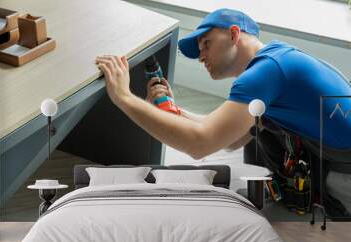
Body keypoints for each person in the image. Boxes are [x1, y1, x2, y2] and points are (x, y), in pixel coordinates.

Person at [95, 8, 351, 162]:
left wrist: (123, 97)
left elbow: (200, 145)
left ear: (234, 34)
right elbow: (232, 139)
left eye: (206, 43)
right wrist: (174, 111)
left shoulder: (265, 73)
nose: (201, 56)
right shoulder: (275, 61)